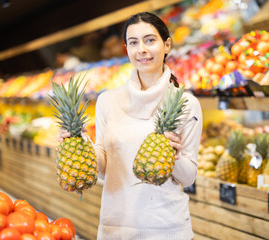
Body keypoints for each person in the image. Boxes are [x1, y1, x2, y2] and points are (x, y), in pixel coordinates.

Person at [59, 12, 202, 240]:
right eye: (133, 43)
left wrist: (172, 157)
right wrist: (81, 146)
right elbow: (105, 168)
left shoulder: (186, 104)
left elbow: (188, 177)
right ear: (126, 49)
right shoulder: (107, 101)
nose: (141, 50)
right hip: (115, 226)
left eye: (150, 40)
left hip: (168, 229)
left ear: (167, 45)